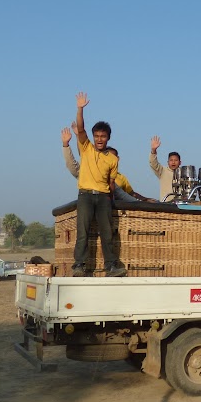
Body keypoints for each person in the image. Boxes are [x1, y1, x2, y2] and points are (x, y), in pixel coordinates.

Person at [72, 92, 126, 278]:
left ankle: (111, 266)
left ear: (108, 138)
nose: (100, 139)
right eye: (97, 136)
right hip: (85, 195)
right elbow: (80, 128)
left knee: (107, 233)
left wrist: (113, 201)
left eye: (103, 136)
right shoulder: (86, 148)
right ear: (93, 137)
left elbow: (111, 182)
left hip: (103, 198)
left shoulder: (112, 159)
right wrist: (80, 108)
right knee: (83, 232)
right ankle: (79, 265)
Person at [61, 128, 154, 201]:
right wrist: (66, 144)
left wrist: (144, 201)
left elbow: (127, 195)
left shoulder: (119, 178)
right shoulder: (89, 171)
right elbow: (73, 165)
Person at [150, 135, 181, 201]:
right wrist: (153, 150)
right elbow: (153, 163)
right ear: (168, 162)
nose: (173, 162)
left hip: (180, 204)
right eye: (171, 160)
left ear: (180, 162)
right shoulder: (163, 171)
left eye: (175, 160)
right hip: (166, 205)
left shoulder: (183, 173)